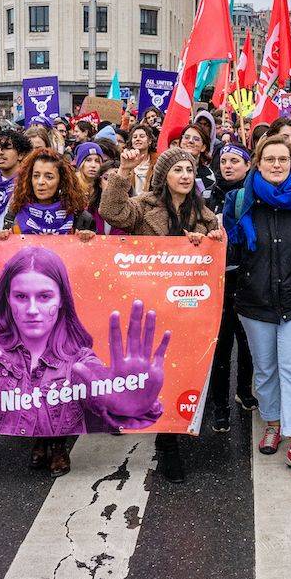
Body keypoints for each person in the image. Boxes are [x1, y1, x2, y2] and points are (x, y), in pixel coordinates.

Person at [0, 246, 167, 476]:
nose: (32, 309)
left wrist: (127, 395)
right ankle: (39, 445)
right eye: (21, 296)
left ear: (62, 299)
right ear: (7, 299)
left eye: (44, 296)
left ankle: (57, 447)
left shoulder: (78, 356)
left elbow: (99, 381)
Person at [101, 145, 223, 482]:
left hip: (188, 307)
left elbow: (218, 252)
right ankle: (166, 442)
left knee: (182, 371)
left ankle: (172, 432)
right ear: (163, 176)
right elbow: (111, 211)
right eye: (178, 170)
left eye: (189, 170)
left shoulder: (205, 214)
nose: (185, 176)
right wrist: (124, 172)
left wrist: (213, 240)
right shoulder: (143, 208)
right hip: (151, 303)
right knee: (157, 370)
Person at [223, 134, 291, 476]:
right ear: (258, 162)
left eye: (282, 159)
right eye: (269, 159)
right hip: (254, 303)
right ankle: (272, 422)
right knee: (266, 368)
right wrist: (211, 238)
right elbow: (229, 252)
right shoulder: (240, 200)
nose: (276, 165)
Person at [207, 142, 257, 428]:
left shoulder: (255, 196)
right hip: (217, 281)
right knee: (221, 346)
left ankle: (244, 390)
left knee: (248, 341)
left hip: (247, 278)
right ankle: (220, 405)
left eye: (235, 161)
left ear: (248, 165)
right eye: (224, 160)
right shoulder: (207, 196)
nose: (228, 166)